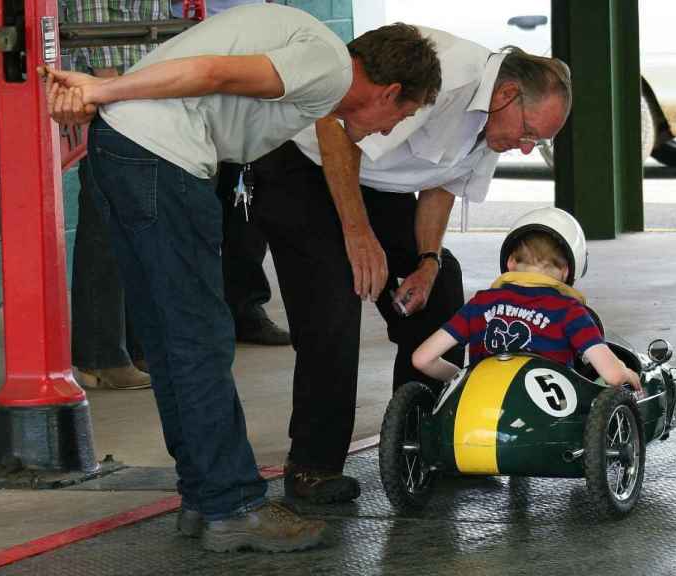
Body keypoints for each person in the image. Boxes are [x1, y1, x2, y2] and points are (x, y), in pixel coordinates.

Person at [42, 5, 441, 553]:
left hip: (125, 149)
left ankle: (205, 498)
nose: (392, 130)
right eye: (403, 114)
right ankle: (232, 505)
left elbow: (192, 69)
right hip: (161, 156)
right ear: (389, 90)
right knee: (201, 338)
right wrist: (98, 92)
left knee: (167, 337)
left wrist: (103, 90)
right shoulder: (328, 65)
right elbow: (211, 72)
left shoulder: (319, 72)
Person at [250, 28, 572, 503]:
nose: (526, 147)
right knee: (336, 296)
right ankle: (312, 467)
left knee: (443, 285)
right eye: (528, 133)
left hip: (379, 187)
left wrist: (426, 261)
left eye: (537, 142)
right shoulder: (446, 80)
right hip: (306, 170)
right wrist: (358, 237)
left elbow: (441, 183)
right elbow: (337, 129)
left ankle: (423, 443)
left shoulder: (496, 124)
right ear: (506, 95)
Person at [412, 206, 642, 393]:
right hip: (545, 423)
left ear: (511, 262)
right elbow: (611, 375)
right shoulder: (570, 312)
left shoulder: (480, 304)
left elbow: (422, 359)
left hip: (478, 413)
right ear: (566, 272)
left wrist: (463, 380)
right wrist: (626, 372)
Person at [63, 0, 170, 390]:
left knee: (135, 221)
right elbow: (90, 14)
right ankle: (101, 355)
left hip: (144, 87)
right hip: (116, 91)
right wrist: (110, 94)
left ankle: (136, 346)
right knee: (105, 224)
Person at [172, 0, 291, 346]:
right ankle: (198, 317)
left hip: (248, 68)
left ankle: (246, 308)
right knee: (194, 210)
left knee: (246, 202)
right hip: (190, 64)